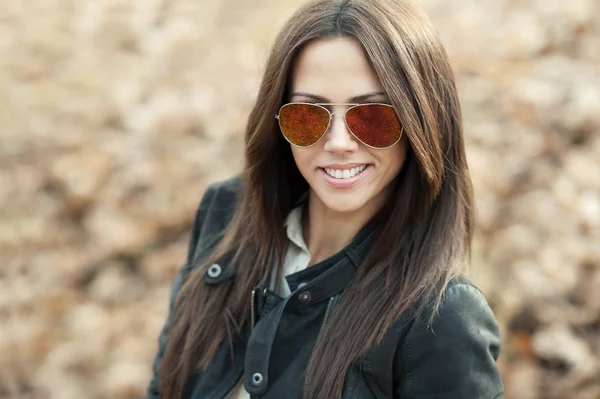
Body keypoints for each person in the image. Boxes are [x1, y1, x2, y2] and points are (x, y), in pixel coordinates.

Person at [146, 0, 504, 398]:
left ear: (422, 121)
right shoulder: (225, 215)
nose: (337, 143)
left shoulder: (442, 319)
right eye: (308, 116)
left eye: (372, 115)